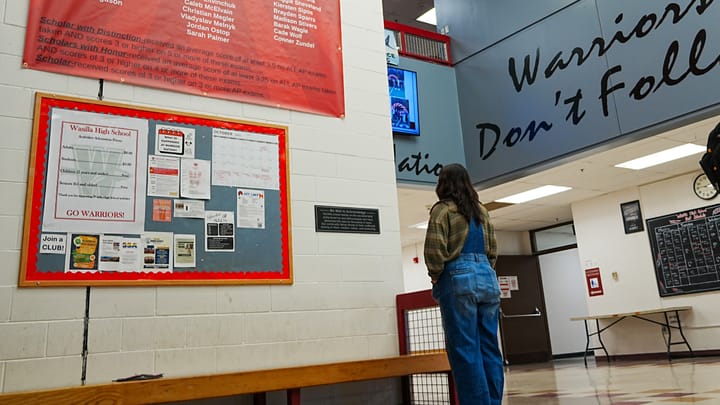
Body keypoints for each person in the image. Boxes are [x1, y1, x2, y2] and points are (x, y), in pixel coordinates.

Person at [423, 163, 503, 405]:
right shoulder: (481, 211)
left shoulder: (442, 210)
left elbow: (434, 250)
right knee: (489, 347)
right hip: (487, 278)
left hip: (459, 279)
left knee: (465, 350)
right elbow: (492, 250)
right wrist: (482, 269)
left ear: (443, 184)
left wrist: (436, 275)